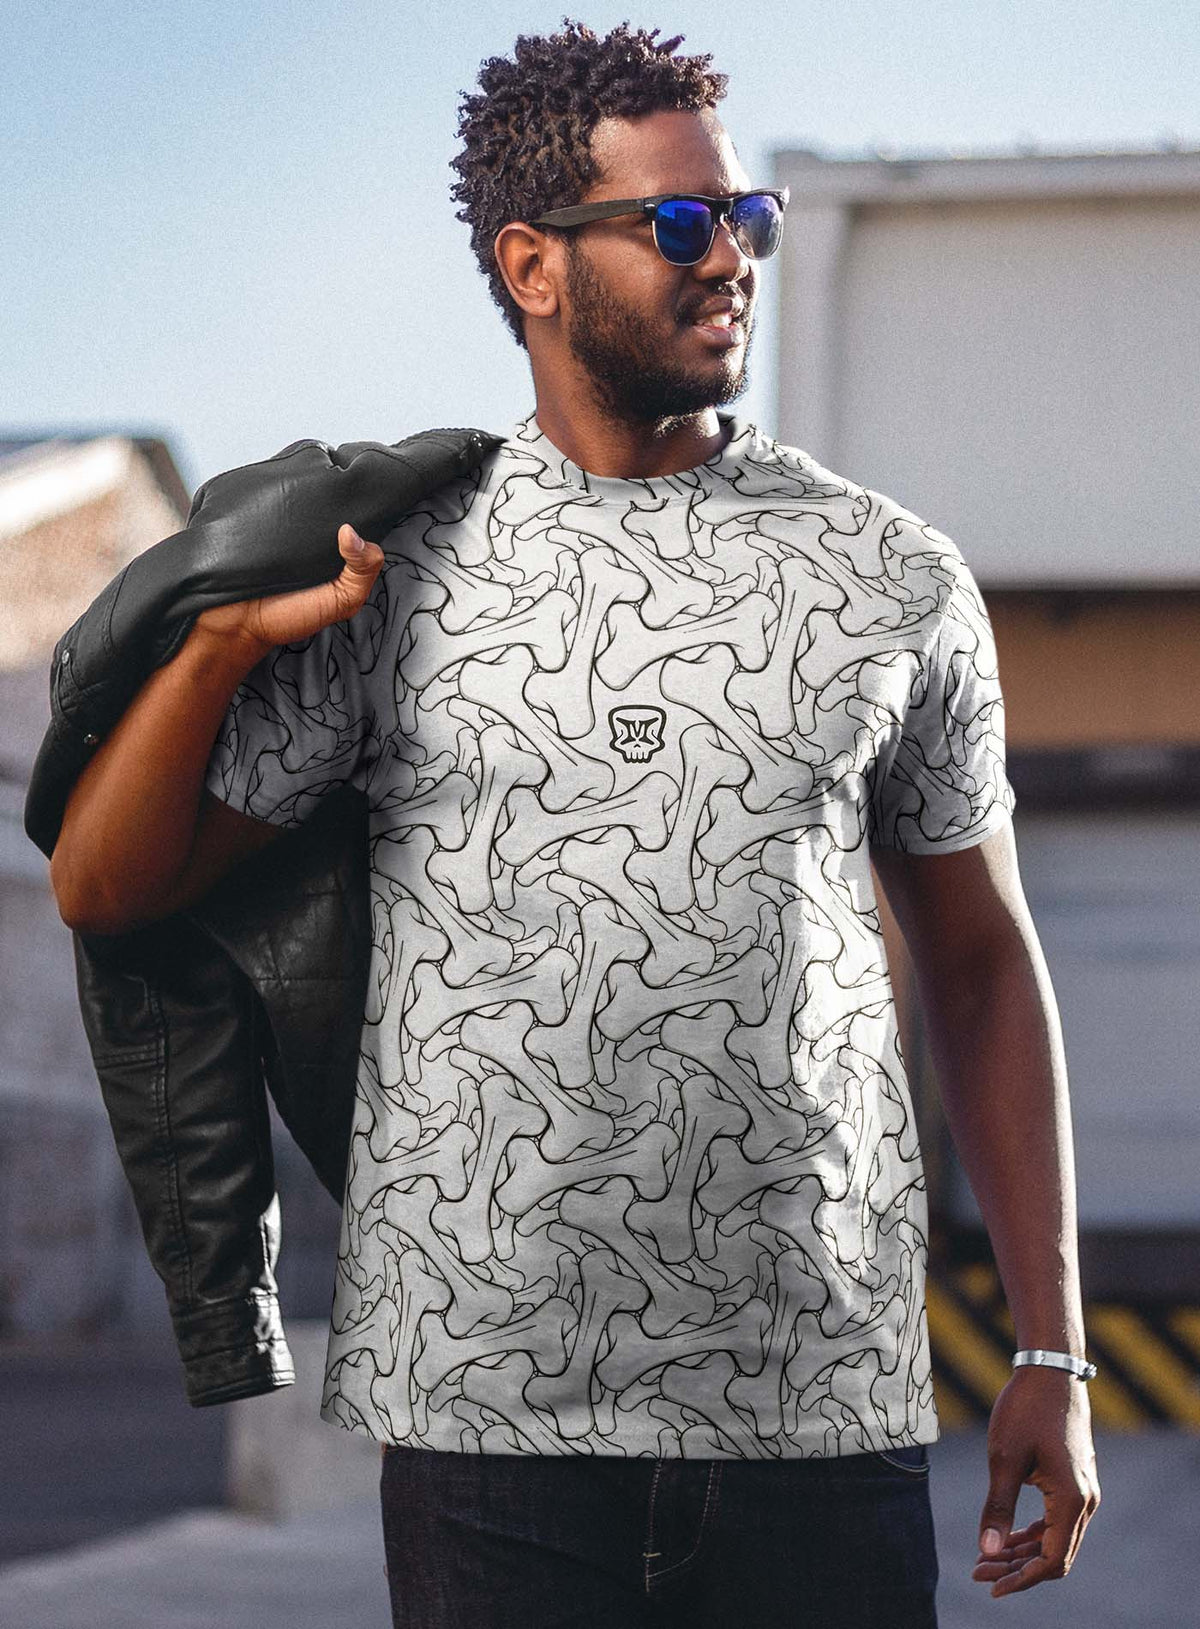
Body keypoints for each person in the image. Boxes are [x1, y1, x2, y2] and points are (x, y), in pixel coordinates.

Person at [49, 17, 1100, 1628]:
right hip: (490, 1423)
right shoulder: (396, 568)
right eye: (679, 223)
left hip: (817, 1402)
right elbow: (106, 886)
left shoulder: (892, 575)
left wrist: (1051, 1345)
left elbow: (978, 957)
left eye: (746, 219)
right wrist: (215, 647)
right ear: (533, 266)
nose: (729, 256)